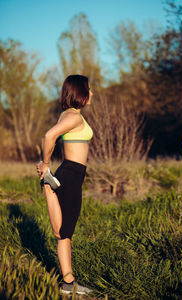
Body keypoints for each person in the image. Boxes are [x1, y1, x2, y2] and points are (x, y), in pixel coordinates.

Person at [36, 75, 93, 295]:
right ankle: (68, 283)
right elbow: (50, 135)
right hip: (70, 174)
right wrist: (45, 162)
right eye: (89, 89)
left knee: (63, 231)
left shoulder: (68, 114)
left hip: (70, 174)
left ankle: (68, 282)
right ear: (80, 92)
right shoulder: (75, 117)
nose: (92, 93)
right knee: (63, 232)